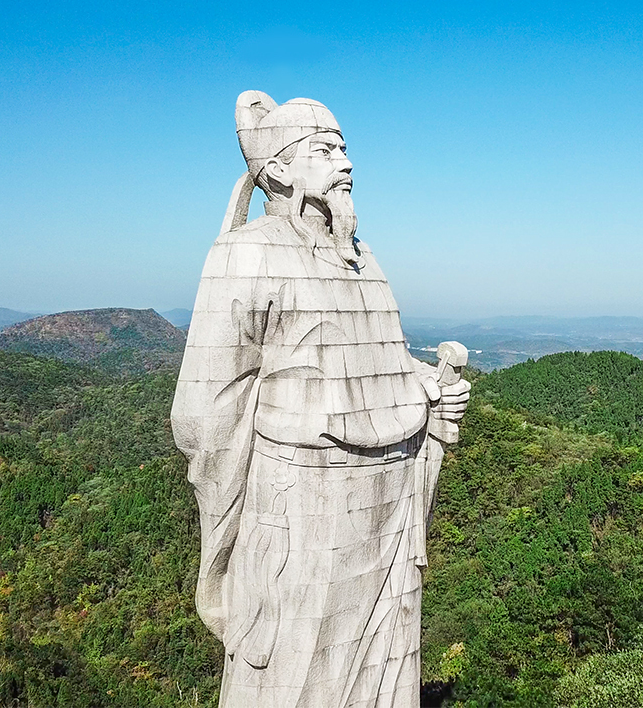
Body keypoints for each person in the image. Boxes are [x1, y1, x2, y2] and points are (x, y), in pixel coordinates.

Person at [171, 90, 470, 707]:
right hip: (304, 501)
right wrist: (233, 502)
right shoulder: (245, 252)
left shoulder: (366, 260)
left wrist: (428, 386)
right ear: (279, 169)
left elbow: (380, 357)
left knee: (385, 665)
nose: (346, 162)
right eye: (326, 149)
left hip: (387, 503)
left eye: (345, 149)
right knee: (291, 666)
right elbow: (205, 406)